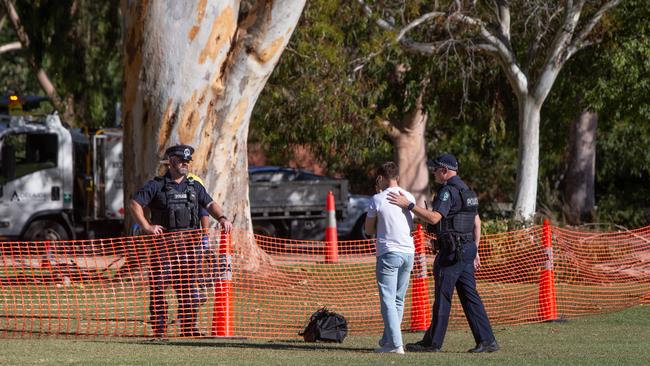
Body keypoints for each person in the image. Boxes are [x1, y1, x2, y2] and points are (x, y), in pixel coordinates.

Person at [387, 153, 499, 353]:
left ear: (445, 171)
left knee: (443, 297)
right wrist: (476, 250)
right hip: (466, 250)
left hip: (452, 253)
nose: (434, 172)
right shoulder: (467, 191)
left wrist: (409, 205)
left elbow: (434, 218)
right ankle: (487, 340)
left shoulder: (448, 192)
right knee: (470, 296)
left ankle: (433, 343)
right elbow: (477, 222)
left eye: (436, 169)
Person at [129, 144, 232, 338]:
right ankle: (160, 331)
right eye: (182, 161)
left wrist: (222, 218)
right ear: (172, 161)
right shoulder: (156, 185)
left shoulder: (194, 186)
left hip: (189, 250)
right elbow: (135, 203)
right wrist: (146, 226)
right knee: (158, 290)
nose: (185, 164)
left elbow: (209, 204)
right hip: (164, 250)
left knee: (187, 291)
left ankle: (188, 329)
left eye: (187, 161)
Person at [364, 162, 416, 354]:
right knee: (398, 300)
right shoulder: (408, 196)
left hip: (389, 252)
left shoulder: (377, 199)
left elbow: (368, 229)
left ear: (381, 178)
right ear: (398, 177)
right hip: (408, 252)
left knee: (388, 300)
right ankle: (389, 340)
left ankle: (395, 345)